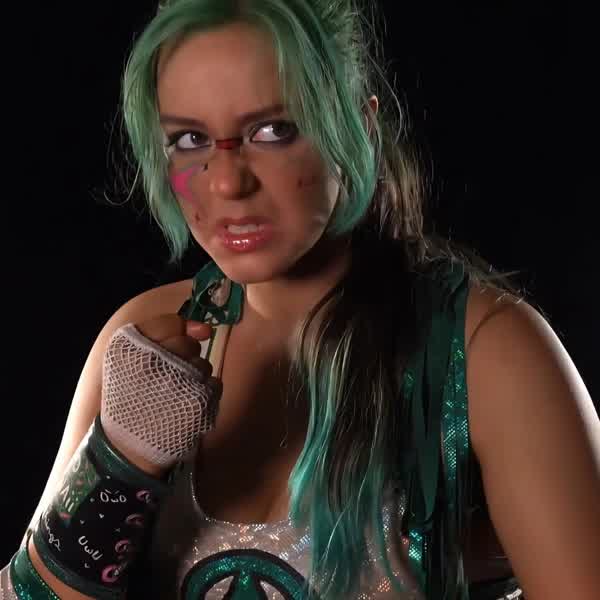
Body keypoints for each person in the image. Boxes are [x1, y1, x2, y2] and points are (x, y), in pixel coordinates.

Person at [2, 0, 599, 598]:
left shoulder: (485, 353)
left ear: (359, 127)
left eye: (273, 131)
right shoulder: (141, 337)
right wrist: (119, 463)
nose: (227, 181)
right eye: (190, 139)